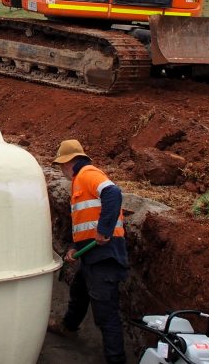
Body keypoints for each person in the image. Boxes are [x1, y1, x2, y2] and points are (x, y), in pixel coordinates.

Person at [47, 139, 129, 364]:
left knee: (106, 314)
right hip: (92, 253)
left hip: (106, 254)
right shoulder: (78, 183)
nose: (61, 171)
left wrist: (104, 230)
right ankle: (69, 326)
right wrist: (76, 247)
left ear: (69, 162)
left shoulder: (87, 174)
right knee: (79, 290)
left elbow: (113, 193)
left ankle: (116, 360)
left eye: (61, 166)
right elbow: (85, 222)